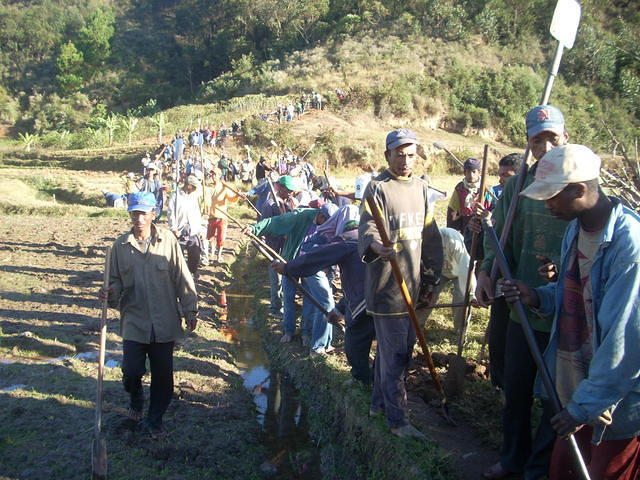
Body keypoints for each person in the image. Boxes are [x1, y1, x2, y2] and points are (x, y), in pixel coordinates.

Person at [500, 144, 640, 480]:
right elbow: (574, 293)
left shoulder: (629, 249)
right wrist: (537, 296)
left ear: (580, 190)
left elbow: (624, 344)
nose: (547, 206)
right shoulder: (577, 230)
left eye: (553, 196)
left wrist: (582, 408)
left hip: (611, 406)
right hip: (575, 390)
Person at [474, 105, 570, 480]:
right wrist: (486, 271)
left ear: (565, 136)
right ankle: (513, 459)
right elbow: (502, 240)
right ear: (528, 143)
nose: (545, 147)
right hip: (519, 308)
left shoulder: (578, 183)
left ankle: (538, 469)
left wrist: (562, 272)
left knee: (553, 400)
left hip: (564, 315)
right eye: (537, 140)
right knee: (514, 391)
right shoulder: (516, 188)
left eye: (552, 138)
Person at [359, 128, 443, 440]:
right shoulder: (376, 188)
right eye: (399, 154)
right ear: (387, 155)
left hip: (414, 284)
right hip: (386, 288)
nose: (405, 160)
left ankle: (378, 405)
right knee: (396, 356)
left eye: (410, 154)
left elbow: (431, 237)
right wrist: (376, 246)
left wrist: (432, 277)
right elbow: (367, 227)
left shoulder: (422, 189)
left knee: (392, 352)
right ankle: (398, 422)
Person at [99, 191, 197, 437]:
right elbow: (115, 282)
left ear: (154, 214)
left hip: (164, 321)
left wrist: (190, 309)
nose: (139, 218)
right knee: (132, 371)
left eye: (143, 213)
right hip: (134, 320)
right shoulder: (119, 247)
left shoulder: (168, 241)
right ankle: (135, 401)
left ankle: (154, 420)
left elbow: (182, 277)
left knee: (163, 377)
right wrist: (109, 293)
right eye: (135, 213)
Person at [421, 227, 476, 335]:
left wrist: (470, 294)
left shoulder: (451, 239)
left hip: (459, 270)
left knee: (461, 299)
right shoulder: (423, 242)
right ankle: (417, 326)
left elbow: (465, 266)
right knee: (427, 296)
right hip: (439, 272)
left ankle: (460, 331)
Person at [167, 175, 204, 278]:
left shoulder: (193, 197)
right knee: (178, 253)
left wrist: (199, 229)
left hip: (192, 228)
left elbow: (197, 213)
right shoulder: (175, 196)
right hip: (180, 228)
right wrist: (173, 228)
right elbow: (171, 213)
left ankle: (193, 270)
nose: (195, 189)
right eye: (194, 187)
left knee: (195, 252)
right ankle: (180, 273)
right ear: (188, 186)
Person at [447, 157, 492, 236]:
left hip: (483, 228)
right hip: (464, 227)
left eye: (474, 172)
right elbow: (453, 213)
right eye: (468, 172)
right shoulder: (459, 189)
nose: (471, 175)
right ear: (464, 173)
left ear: (479, 173)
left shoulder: (487, 189)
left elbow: (492, 209)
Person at [207, 175, 241, 263]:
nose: (213, 177)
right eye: (212, 174)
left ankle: (219, 256)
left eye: (215, 174)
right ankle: (211, 254)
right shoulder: (208, 187)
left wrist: (237, 195)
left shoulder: (224, 188)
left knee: (221, 238)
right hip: (211, 216)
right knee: (210, 237)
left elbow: (232, 198)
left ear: (219, 176)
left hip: (222, 216)